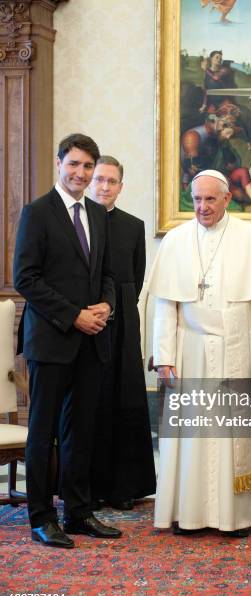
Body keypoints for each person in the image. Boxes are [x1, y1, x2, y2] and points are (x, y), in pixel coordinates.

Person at [148, 169, 251, 536]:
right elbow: (165, 305)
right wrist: (163, 356)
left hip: (237, 345)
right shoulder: (175, 241)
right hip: (190, 348)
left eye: (210, 199)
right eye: (196, 199)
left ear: (226, 199)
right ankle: (189, 514)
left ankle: (236, 516)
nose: (202, 207)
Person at [13, 134, 122, 548]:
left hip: (92, 341)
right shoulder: (37, 213)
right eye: (74, 164)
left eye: (88, 167)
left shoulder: (97, 213)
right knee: (43, 433)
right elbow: (26, 278)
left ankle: (77, 513)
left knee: (81, 431)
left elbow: (108, 275)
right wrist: (73, 315)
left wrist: (105, 308)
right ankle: (42, 517)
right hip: (52, 340)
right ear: (60, 163)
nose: (81, 173)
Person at [88, 156, 156, 510]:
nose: (104, 186)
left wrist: (119, 308)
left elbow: (137, 275)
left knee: (126, 399)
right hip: (87, 323)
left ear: (120, 186)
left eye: (111, 181)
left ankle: (125, 487)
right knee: (93, 401)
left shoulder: (133, 225)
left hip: (125, 321)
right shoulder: (79, 221)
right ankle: (89, 488)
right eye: (99, 179)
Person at [181, 115, 251, 212]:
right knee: (239, 195)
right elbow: (199, 167)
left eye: (230, 135)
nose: (228, 137)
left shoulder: (225, 144)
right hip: (213, 179)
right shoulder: (209, 144)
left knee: (243, 171)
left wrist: (229, 158)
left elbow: (231, 162)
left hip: (225, 175)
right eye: (226, 134)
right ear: (219, 132)